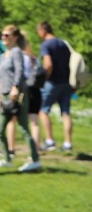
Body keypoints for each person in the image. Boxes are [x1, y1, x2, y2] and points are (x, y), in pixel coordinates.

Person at [0, 26, 41, 173]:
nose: (3, 38)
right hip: (4, 95)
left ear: (15, 37)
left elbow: (19, 71)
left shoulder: (16, 52)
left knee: (23, 127)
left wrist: (15, 87)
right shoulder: (2, 56)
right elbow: (1, 78)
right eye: (2, 35)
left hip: (17, 95)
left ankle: (34, 159)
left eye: (7, 35)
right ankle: (7, 158)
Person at [37, 21, 74, 152]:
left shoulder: (46, 45)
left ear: (42, 31)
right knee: (65, 113)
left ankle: (49, 140)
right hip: (66, 82)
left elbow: (48, 65)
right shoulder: (63, 43)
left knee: (43, 111)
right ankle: (68, 143)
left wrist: (44, 79)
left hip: (52, 83)